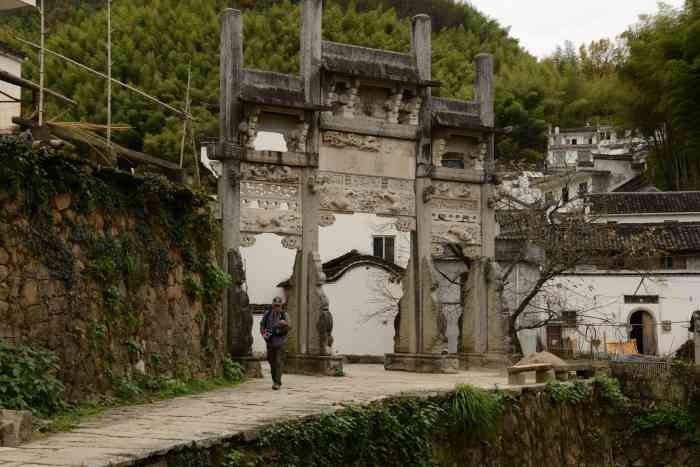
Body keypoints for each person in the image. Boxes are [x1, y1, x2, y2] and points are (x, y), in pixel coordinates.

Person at [260, 297, 290, 390]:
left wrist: (284, 324)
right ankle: (274, 380)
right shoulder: (267, 314)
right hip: (270, 341)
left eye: (278, 305)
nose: (277, 307)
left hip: (281, 342)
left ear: (281, 306)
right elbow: (262, 325)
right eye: (275, 305)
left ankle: (277, 382)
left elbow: (290, 326)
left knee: (279, 361)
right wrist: (264, 335)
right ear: (272, 305)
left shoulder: (284, 315)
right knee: (271, 361)